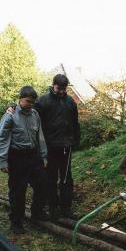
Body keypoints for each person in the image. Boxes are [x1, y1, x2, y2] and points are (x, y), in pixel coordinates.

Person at [0, 86, 48, 234]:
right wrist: (2, 160)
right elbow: (2, 138)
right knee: (18, 191)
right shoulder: (10, 115)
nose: (30, 104)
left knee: (42, 184)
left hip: (33, 156)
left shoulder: (35, 115)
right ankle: (16, 222)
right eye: (28, 101)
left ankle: (36, 213)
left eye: (33, 102)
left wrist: (44, 156)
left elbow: (41, 137)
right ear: (20, 99)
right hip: (17, 157)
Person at [34, 74, 80, 221]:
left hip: (66, 147)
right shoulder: (43, 101)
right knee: (50, 179)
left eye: (64, 88)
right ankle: (53, 209)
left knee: (67, 179)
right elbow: (30, 115)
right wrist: (11, 107)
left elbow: (76, 123)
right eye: (59, 88)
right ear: (53, 85)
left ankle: (66, 209)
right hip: (49, 147)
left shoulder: (71, 102)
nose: (61, 91)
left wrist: (76, 141)